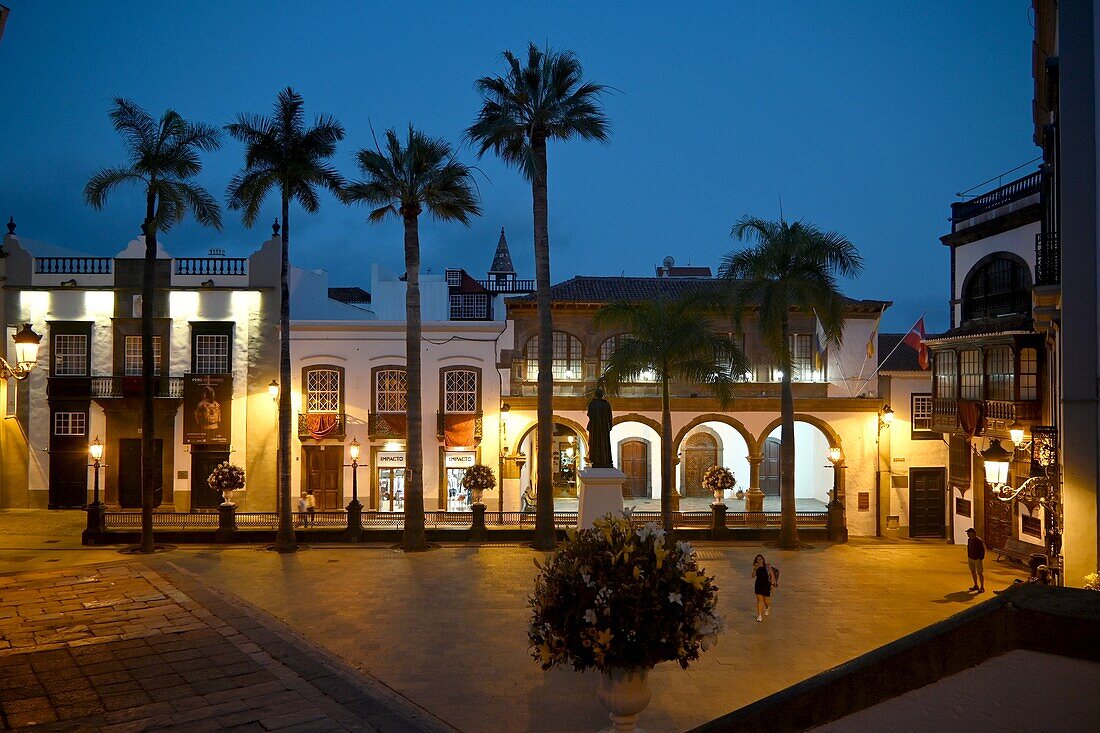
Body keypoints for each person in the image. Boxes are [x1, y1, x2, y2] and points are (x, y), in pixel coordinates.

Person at [751, 554, 773, 622]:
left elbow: (772, 575)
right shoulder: (756, 567)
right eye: (758, 559)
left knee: (766, 600)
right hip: (758, 585)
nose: (759, 560)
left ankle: (768, 607)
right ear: (756, 560)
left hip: (766, 585)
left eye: (760, 559)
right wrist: (755, 569)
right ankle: (759, 615)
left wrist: (772, 584)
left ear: (763, 560)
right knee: (760, 601)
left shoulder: (767, 566)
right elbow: (753, 576)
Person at [966, 527, 985, 593]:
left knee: (979, 573)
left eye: (968, 533)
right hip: (971, 558)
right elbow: (968, 548)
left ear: (973, 533)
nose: (967, 534)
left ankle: (982, 587)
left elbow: (982, 550)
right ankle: (976, 585)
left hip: (977, 559)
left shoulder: (978, 540)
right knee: (973, 571)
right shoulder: (969, 540)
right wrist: (969, 556)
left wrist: (980, 558)